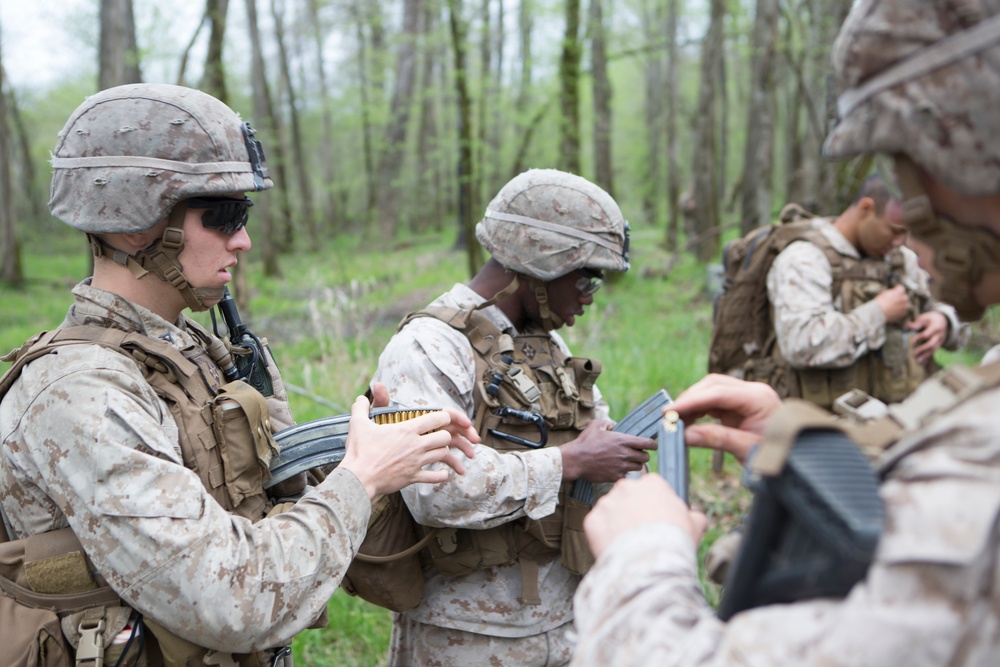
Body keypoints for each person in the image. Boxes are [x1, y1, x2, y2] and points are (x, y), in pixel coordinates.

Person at [568, 0, 1000, 664]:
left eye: (920, 167)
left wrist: (639, 559)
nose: (918, 218)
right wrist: (832, 447)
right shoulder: (807, 258)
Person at [0, 83, 478, 666]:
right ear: (135, 225)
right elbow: (230, 601)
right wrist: (363, 478)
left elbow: (267, 508)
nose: (243, 240)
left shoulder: (195, 351)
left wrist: (360, 449)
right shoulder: (80, 395)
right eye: (224, 216)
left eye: (243, 215)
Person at [370, 168, 656, 667]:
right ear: (542, 264)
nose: (590, 295)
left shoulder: (545, 342)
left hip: (566, 619)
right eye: (587, 276)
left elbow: (593, 433)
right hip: (469, 634)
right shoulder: (427, 347)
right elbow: (435, 490)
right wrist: (569, 463)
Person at [764, 174, 968, 407]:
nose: (900, 242)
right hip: (822, 426)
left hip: (899, 422)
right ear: (866, 208)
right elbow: (800, 345)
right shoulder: (805, 259)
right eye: (895, 231)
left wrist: (943, 320)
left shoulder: (901, 260)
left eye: (908, 233)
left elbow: (960, 305)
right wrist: (878, 313)